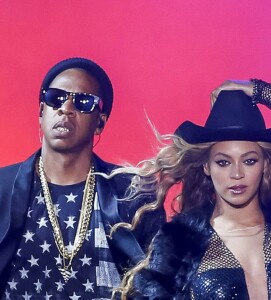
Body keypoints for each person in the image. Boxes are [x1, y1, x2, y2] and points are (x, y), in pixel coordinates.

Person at [0, 57, 165, 299]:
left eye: (83, 102)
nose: (65, 108)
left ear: (100, 122)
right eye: (55, 97)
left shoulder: (133, 193)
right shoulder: (3, 187)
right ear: (41, 111)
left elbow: (160, 284)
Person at [114, 90, 271, 299]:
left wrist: (258, 89)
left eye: (249, 161)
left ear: (265, 163)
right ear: (206, 166)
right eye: (223, 162)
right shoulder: (180, 242)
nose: (237, 174)